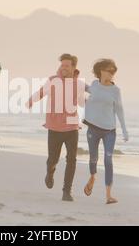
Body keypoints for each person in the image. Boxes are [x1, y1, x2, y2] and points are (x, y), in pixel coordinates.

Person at [26, 54, 86, 202]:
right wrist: (31, 101)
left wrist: (93, 104)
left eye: (67, 65)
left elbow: (81, 102)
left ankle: (67, 191)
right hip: (55, 126)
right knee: (53, 159)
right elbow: (41, 92)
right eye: (62, 65)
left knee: (72, 159)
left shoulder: (78, 84)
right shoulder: (53, 80)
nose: (63, 68)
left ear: (73, 67)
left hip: (72, 126)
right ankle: (50, 172)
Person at [82, 59, 129, 204]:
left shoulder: (116, 91)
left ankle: (108, 195)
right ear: (100, 71)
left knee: (108, 160)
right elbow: (87, 89)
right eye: (108, 70)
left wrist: (124, 130)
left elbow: (119, 110)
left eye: (113, 71)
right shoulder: (95, 85)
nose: (111, 73)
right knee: (93, 158)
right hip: (93, 129)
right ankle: (93, 176)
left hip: (109, 130)